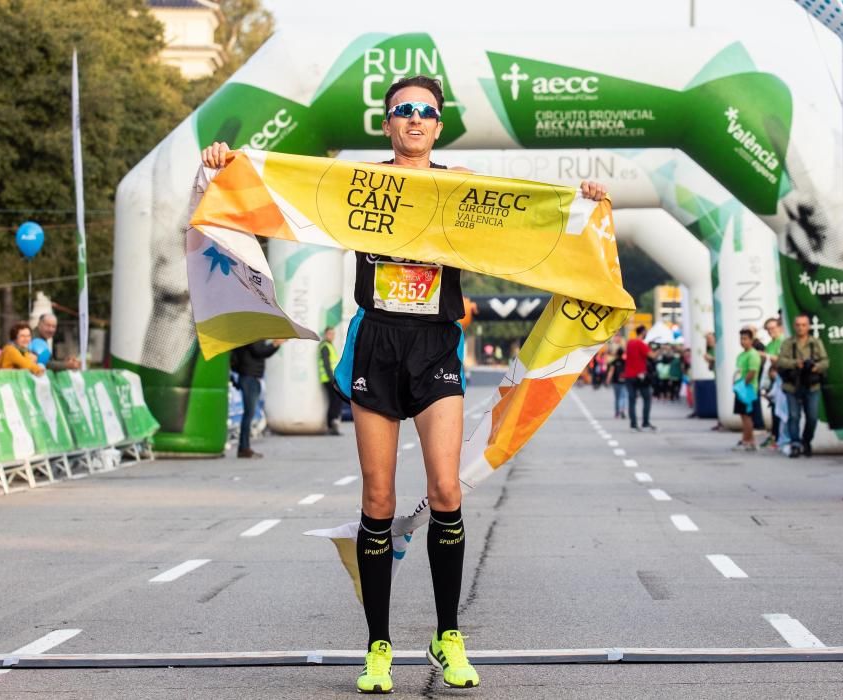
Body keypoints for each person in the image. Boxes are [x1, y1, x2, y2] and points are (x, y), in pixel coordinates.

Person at [202, 74, 610, 695]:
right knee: (379, 499)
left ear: (437, 125)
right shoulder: (356, 186)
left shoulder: (460, 187)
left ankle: (448, 636)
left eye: (425, 111)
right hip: (378, 344)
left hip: (435, 344)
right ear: (387, 124)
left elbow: (532, 220)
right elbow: (280, 185)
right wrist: (225, 167)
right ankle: (378, 646)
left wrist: (582, 200)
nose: (415, 119)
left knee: (447, 489)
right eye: (403, 111)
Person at [776, 314, 828, 458]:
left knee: (812, 417)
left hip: (811, 386)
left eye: (804, 325)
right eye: (798, 325)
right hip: (792, 385)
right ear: (794, 326)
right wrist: (795, 364)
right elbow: (780, 362)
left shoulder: (815, 343)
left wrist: (815, 367)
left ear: (808, 326)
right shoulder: (788, 343)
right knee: (794, 416)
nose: (801, 328)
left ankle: (806, 441)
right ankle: (795, 444)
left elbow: (825, 362)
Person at [230, 339, 284, 459]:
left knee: (249, 413)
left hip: (250, 375)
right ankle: (244, 447)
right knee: (249, 414)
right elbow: (260, 351)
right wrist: (275, 344)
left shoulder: (246, 335)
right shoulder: (252, 335)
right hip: (250, 376)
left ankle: (244, 447)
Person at [623, 325, 656, 432]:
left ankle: (633, 425)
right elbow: (652, 356)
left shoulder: (629, 343)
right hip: (641, 376)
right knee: (647, 398)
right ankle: (645, 423)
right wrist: (659, 350)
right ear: (643, 332)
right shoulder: (641, 344)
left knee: (632, 400)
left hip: (629, 375)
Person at [732, 328, 761, 451]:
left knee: (747, 416)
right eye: (741, 339)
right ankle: (749, 439)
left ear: (751, 340)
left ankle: (747, 441)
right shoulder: (741, 355)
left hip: (748, 389)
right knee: (743, 416)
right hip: (740, 389)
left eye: (745, 339)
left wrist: (743, 385)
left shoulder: (753, 354)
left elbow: (752, 372)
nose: (742, 341)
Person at [759, 317, 785, 448]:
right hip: (770, 381)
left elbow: (780, 359)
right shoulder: (770, 344)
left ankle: (779, 437)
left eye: (773, 328)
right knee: (774, 411)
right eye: (768, 329)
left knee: (780, 411)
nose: (770, 331)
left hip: (781, 380)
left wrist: (765, 356)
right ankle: (774, 436)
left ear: (780, 327)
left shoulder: (783, 341)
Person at [318, 326, 343, 436]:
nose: (332, 336)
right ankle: (331, 425)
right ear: (325, 334)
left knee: (335, 401)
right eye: (329, 333)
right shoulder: (325, 346)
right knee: (335, 401)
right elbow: (327, 364)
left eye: (333, 333)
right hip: (329, 379)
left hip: (331, 379)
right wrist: (333, 380)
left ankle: (332, 424)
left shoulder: (329, 346)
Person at [606, 347, 627, 418]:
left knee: (617, 398)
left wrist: (608, 380)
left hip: (615, 382)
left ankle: (617, 412)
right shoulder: (625, 361)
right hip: (624, 381)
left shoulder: (614, 362)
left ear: (616, 353)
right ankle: (622, 410)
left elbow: (611, 371)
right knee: (623, 397)